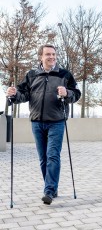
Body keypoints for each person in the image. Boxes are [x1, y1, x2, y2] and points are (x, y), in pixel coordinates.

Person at [6, 44, 81, 205]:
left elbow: (76, 94)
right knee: (43, 158)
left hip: (57, 122)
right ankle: (52, 187)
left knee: (53, 155)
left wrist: (67, 93)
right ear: (41, 56)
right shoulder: (32, 75)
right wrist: (12, 95)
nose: (52, 57)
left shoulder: (64, 74)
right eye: (48, 54)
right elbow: (23, 94)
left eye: (54, 54)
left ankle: (48, 190)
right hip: (37, 122)